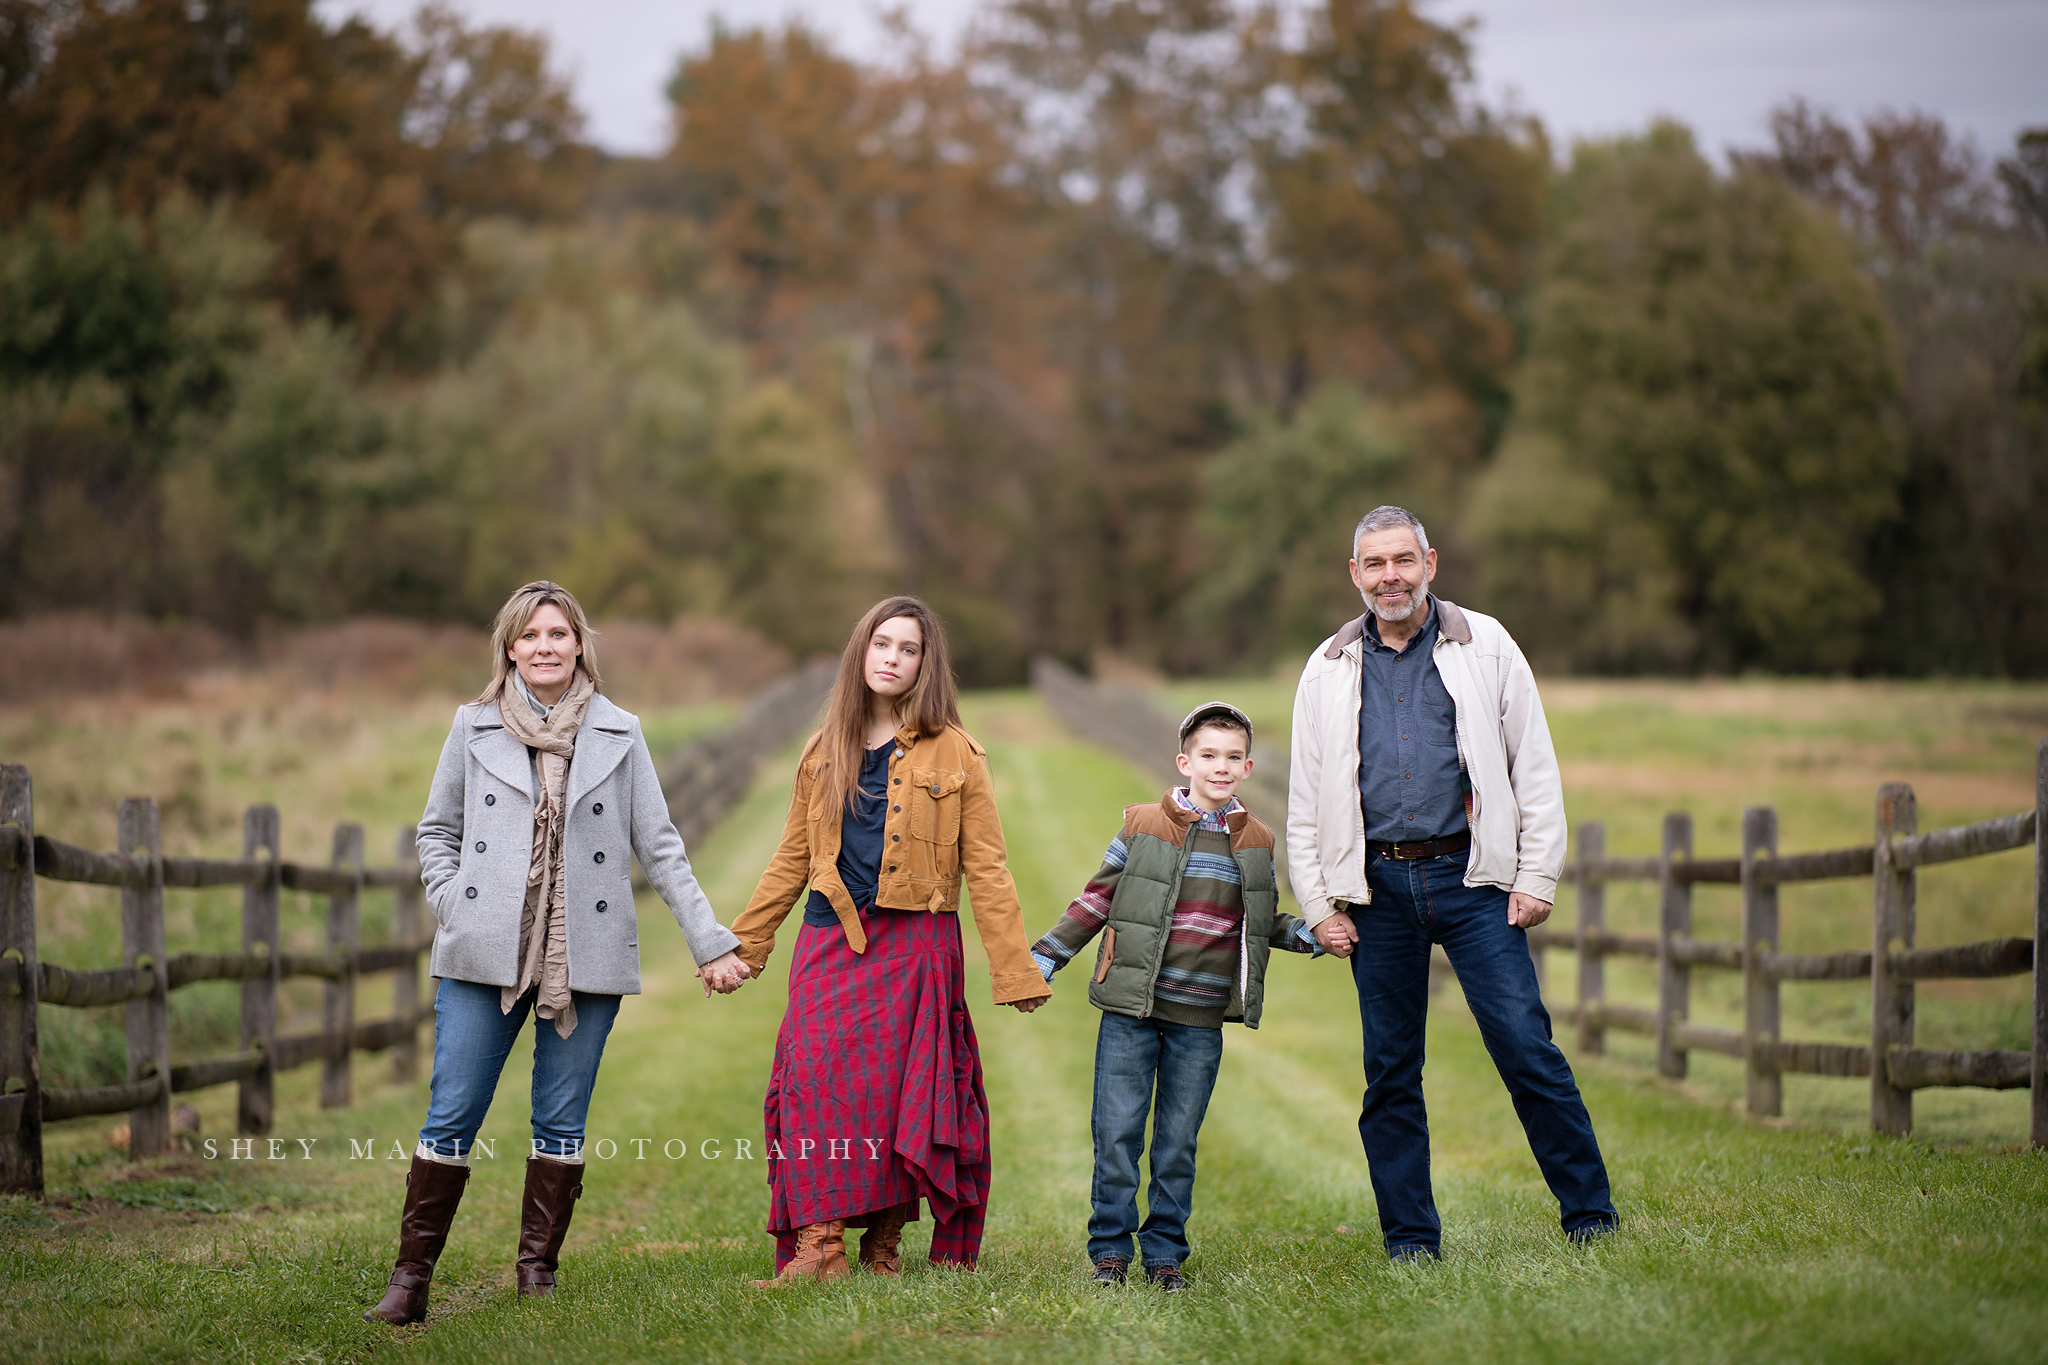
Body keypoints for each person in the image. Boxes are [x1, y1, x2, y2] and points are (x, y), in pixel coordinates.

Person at [366, 581, 752, 1325]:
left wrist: (711, 944)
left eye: (559, 634)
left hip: (587, 951)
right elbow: (435, 831)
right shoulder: (473, 724)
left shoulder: (619, 731)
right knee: (451, 1114)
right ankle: (409, 1282)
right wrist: (458, 906)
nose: (545, 647)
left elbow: (662, 847)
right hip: (484, 951)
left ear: (580, 644)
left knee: (562, 1121)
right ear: (510, 647)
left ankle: (536, 1272)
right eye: (531, 635)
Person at [1288, 506, 1616, 1260]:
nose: (1390, 576)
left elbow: (1534, 764)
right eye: (1375, 564)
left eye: (1403, 559)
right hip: (1378, 891)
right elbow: (1306, 799)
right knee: (1390, 1074)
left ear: (1430, 562)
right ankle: (1410, 1239)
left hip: (1473, 882)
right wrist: (1319, 903)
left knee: (1526, 1049)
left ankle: (1590, 1216)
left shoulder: (1487, 644)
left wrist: (1536, 873)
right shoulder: (1328, 666)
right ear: (1355, 574)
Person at [729, 595, 1050, 1285]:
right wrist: (745, 945)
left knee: (896, 1097)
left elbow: (987, 865)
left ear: (924, 664)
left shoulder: (959, 752)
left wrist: (1014, 969)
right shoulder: (823, 750)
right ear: (862, 652)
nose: (893, 658)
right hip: (828, 937)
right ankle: (819, 1247)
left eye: (908, 649)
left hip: (916, 944)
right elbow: (791, 857)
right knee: (812, 1083)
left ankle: (878, 1248)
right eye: (882, 644)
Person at [1029, 702, 1320, 1292]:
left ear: (1248, 767)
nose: (1220, 767)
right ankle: (1109, 1254)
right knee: (1116, 1136)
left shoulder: (1258, 843)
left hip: (1200, 1017)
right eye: (1208, 756)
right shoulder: (1141, 825)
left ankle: (1164, 1255)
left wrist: (1311, 934)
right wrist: (1048, 955)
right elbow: (1096, 900)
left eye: (1232, 757)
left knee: (1177, 1142)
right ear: (1185, 761)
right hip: (1131, 1009)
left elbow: (1262, 920)